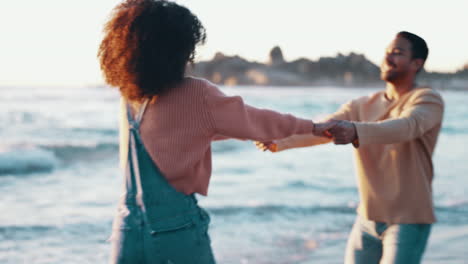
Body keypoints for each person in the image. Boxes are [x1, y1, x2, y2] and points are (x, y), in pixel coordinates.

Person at [98, 1, 332, 263]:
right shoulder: (196, 93)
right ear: (178, 48)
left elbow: (177, 135)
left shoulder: (129, 97)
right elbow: (255, 119)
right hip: (176, 229)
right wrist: (313, 127)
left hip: (126, 229)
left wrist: (239, 131)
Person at [256, 31, 444, 264]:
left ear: (417, 63)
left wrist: (355, 131)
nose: (388, 58)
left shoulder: (428, 99)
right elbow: (323, 128)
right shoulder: (362, 104)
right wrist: (279, 139)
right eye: (386, 53)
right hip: (366, 219)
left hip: (409, 219)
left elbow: (407, 127)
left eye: (397, 53)